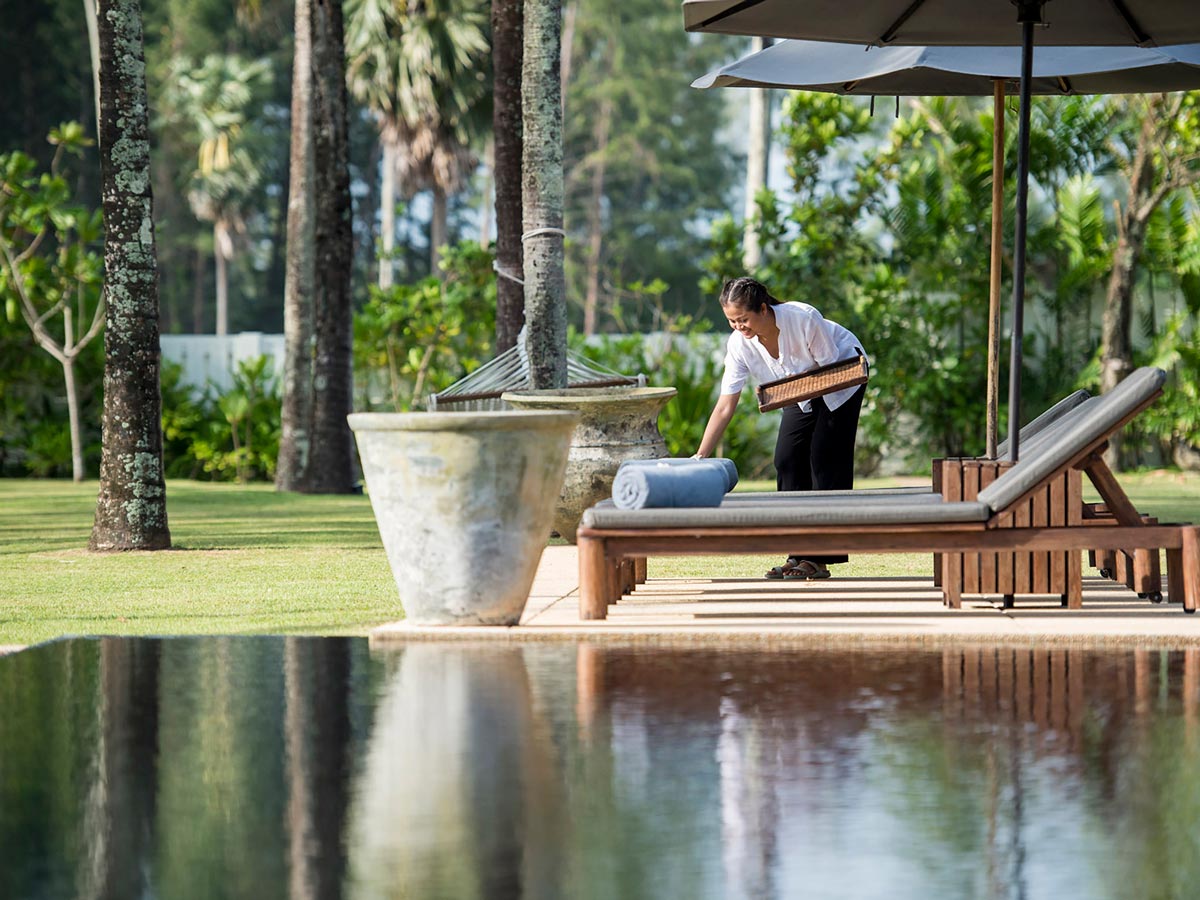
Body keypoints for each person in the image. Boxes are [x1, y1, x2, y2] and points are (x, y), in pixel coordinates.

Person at [692, 277, 866, 581]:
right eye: (731, 321)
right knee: (786, 459)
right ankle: (797, 552)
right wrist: (700, 456)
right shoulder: (738, 344)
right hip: (796, 387)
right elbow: (725, 404)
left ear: (763, 308)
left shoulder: (804, 318)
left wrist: (793, 392)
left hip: (840, 377)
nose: (738, 327)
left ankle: (819, 559)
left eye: (743, 319)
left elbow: (828, 374)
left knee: (824, 458)